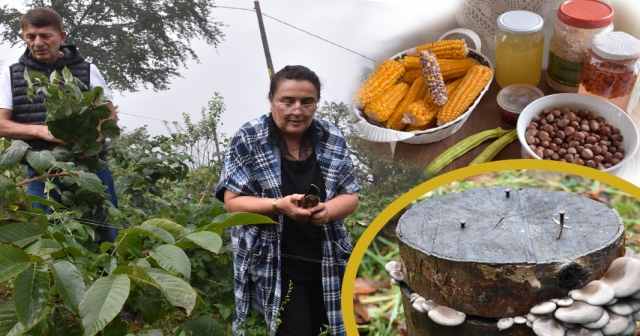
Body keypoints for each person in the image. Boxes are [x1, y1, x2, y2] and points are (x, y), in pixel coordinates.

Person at [216, 65, 360, 336]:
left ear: (317, 103)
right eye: (287, 101)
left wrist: (328, 211)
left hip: (327, 259)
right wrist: (277, 206)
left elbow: (351, 195)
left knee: (332, 328)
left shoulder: (332, 138)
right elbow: (232, 202)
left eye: (307, 102)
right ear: (271, 99)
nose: (297, 111)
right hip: (272, 262)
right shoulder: (249, 138)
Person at [0, 7, 118, 243]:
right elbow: (2, 125)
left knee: (105, 231)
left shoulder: (87, 70)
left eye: (45, 36)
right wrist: (42, 131)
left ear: (61, 37)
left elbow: (109, 118)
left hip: (91, 167)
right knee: (50, 237)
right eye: (31, 37)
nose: (38, 42)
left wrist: (85, 147)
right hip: (42, 172)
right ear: (24, 38)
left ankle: (106, 275)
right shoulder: (12, 75)